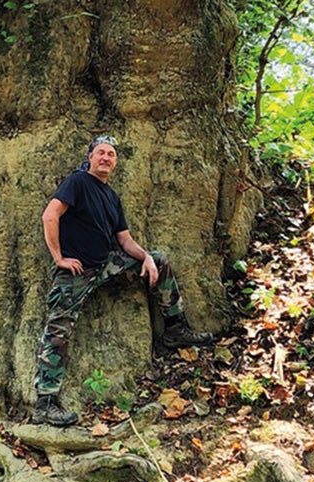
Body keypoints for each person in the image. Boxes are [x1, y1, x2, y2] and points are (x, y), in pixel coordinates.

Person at [33, 136, 216, 426]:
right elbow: (50, 216)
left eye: (111, 154)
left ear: (115, 161)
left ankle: (175, 329)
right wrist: (59, 257)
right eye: (101, 153)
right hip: (77, 271)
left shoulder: (111, 196)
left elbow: (124, 239)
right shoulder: (77, 182)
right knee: (58, 328)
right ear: (90, 157)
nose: (106, 157)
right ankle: (45, 402)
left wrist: (145, 258)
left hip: (107, 262)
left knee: (159, 258)